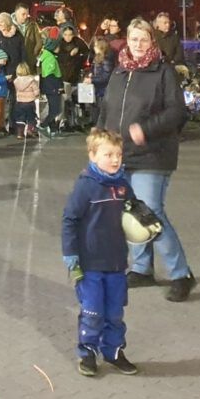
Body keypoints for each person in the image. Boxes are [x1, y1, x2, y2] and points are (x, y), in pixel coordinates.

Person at [97, 18, 194, 302]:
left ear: (152, 41)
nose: (138, 44)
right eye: (133, 38)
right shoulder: (119, 71)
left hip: (153, 153)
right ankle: (141, 268)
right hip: (121, 154)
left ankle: (181, 274)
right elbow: (107, 109)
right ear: (127, 39)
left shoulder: (163, 72)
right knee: (129, 211)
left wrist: (145, 130)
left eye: (143, 39)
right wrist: (100, 137)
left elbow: (177, 112)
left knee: (150, 213)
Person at [62, 128, 143, 377]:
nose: (115, 159)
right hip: (90, 263)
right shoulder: (86, 186)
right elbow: (69, 220)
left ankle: (114, 351)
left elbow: (134, 210)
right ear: (92, 155)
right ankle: (87, 352)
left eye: (118, 154)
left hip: (116, 261)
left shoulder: (122, 185)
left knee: (115, 311)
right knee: (93, 311)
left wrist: (147, 223)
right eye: (108, 154)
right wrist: (71, 255)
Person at [0, 12, 25, 132]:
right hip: (1, 71)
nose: (0, 25)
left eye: (2, 22)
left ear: (8, 22)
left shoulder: (18, 36)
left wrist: (22, 66)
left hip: (14, 70)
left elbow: (23, 52)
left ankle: (13, 124)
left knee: (14, 99)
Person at [38, 35, 63, 136]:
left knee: (54, 108)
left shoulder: (46, 56)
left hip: (49, 87)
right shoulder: (50, 59)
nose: (59, 48)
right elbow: (49, 75)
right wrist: (57, 87)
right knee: (56, 109)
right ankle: (43, 125)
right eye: (57, 46)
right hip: (53, 87)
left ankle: (49, 128)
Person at [12, 62, 40, 139]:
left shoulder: (16, 81)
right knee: (31, 117)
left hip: (20, 102)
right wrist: (37, 95)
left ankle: (20, 133)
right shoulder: (31, 80)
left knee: (20, 118)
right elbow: (36, 91)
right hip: (30, 102)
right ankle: (30, 130)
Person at [13, 3, 43, 72]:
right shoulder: (11, 25)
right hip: (15, 63)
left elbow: (39, 41)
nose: (26, 16)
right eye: (23, 14)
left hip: (30, 63)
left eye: (27, 14)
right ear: (16, 13)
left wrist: (33, 55)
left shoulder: (33, 25)